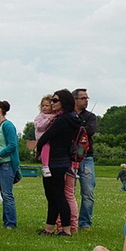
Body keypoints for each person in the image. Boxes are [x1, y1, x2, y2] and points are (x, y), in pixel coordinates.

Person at [35, 90, 82, 237]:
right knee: (53, 196)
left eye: (55, 100)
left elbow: (45, 137)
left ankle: (66, 230)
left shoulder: (62, 119)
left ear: (64, 102)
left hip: (55, 161)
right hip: (62, 161)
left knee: (58, 196)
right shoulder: (71, 118)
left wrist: (38, 149)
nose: (52, 103)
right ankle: (49, 228)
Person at [0, 100, 19, 229]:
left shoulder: (8, 125)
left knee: (7, 194)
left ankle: (10, 223)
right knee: (2, 192)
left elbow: (13, 144)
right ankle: (6, 220)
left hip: (6, 163)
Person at [73, 88, 98, 230]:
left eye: (87, 98)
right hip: (70, 157)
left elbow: (90, 131)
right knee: (69, 192)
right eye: (83, 98)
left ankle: (85, 222)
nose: (86, 101)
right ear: (75, 100)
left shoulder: (91, 116)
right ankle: (71, 220)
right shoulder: (67, 114)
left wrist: (75, 125)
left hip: (87, 157)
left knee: (88, 192)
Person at [33, 95, 58, 178]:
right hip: (42, 137)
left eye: (47, 105)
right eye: (42, 106)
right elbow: (40, 127)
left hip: (52, 138)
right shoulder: (41, 116)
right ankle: (45, 166)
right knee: (45, 146)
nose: (44, 108)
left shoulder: (55, 115)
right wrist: (48, 120)